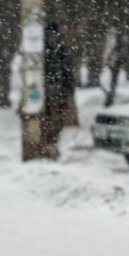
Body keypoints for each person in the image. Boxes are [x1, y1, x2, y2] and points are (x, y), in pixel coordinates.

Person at [40, 21, 78, 159]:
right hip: (59, 89)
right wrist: (69, 89)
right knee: (57, 119)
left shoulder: (40, 48)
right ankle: (53, 143)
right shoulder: (61, 48)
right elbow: (68, 71)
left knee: (45, 118)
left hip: (43, 90)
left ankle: (46, 144)